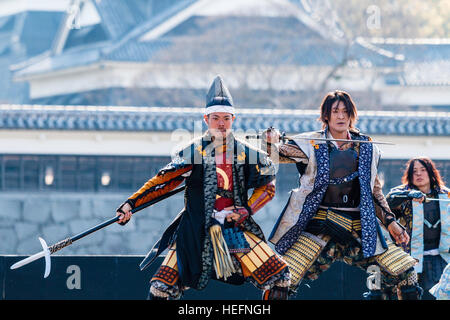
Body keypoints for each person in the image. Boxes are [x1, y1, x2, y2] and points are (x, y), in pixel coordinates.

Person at [115, 75, 290, 300]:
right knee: (160, 288)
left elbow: (268, 186)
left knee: (280, 278)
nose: (221, 123)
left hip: (235, 228)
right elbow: (163, 181)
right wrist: (131, 204)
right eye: (216, 118)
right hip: (195, 229)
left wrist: (246, 211)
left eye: (226, 118)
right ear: (206, 119)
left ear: (233, 119)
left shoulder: (247, 153)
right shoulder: (194, 152)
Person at [263, 90, 422, 299]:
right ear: (326, 115)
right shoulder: (311, 143)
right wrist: (270, 141)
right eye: (335, 111)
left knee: (407, 276)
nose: (340, 116)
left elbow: (374, 192)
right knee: (279, 281)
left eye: (345, 112)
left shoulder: (367, 147)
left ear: (351, 115)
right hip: (318, 225)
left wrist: (391, 222)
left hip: (360, 226)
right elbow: (274, 155)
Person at [385, 157, 449, 299]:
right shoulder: (402, 193)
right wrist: (407, 195)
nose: (418, 174)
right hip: (410, 258)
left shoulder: (445, 194)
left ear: (431, 172)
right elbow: (386, 203)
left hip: (442, 257)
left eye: (423, 170)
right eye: (414, 171)